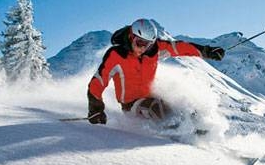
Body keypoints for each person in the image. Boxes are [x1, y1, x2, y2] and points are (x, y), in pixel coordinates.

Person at [87, 19, 225, 124]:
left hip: (150, 97)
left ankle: (199, 133)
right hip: (131, 104)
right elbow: (98, 82)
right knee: (154, 108)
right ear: (131, 36)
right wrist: (96, 109)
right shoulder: (116, 55)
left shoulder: (154, 50)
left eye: (148, 44)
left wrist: (207, 51)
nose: (143, 48)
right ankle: (173, 141)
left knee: (179, 109)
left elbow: (180, 47)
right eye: (140, 43)